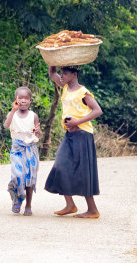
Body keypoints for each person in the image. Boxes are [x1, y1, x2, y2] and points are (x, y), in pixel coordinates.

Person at [44, 65, 102, 218]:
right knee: (60, 165)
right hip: (69, 134)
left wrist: (77, 121)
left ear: (74, 74)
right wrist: (53, 59)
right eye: (62, 73)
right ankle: (70, 204)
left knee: (83, 171)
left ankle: (92, 210)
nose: (62, 76)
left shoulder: (83, 92)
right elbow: (52, 73)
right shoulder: (64, 87)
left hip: (83, 134)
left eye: (65, 73)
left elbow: (97, 110)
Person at [3, 86, 42, 216]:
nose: (23, 101)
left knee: (29, 179)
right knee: (17, 176)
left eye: (26, 98)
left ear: (30, 100)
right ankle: (18, 197)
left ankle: (28, 205)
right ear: (16, 100)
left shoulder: (33, 116)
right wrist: (13, 110)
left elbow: (40, 134)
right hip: (17, 149)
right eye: (20, 98)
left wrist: (38, 132)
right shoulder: (12, 114)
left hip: (31, 148)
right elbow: (6, 126)